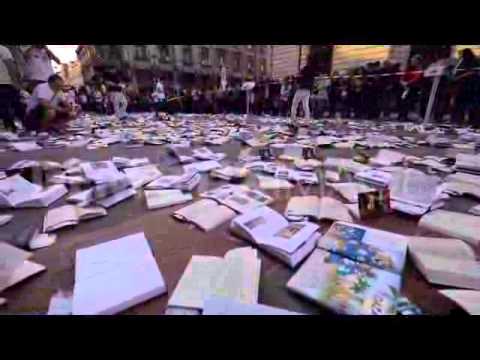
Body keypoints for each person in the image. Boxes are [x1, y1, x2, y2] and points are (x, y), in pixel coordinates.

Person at [452, 48, 480, 127]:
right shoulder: (462, 62)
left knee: (474, 106)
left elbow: (474, 72)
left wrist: (463, 75)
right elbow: (457, 74)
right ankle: (460, 122)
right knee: (461, 106)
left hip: (474, 87)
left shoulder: (475, 62)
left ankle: (474, 123)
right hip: (463, 88)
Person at [0, 45, 23, 132]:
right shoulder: (2, 49)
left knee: (5, 108)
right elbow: (10, 65)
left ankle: (9, 128)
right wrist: (15, 81)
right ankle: (10, 129)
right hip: (5, 83)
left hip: (5, 83)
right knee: (10, 107)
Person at [398, 55, 424, 121]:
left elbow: (417, 78)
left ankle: (418, 116)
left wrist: (408, 83)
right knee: (403, 101)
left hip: (414, 88)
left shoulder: (419, 69)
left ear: (418, 61)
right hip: (405, 88)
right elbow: (404, 75)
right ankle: (402, 116)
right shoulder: (409, 68)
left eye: (413, 60)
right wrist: (402, 81)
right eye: (411, 60)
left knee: (413, 102)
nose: (412, 61)